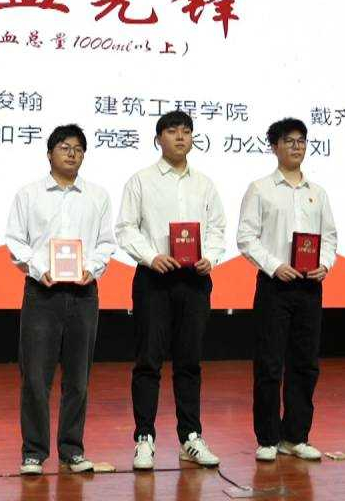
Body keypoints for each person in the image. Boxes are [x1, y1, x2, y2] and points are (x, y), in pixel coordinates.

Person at [116, 110, 227, 470]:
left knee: (189, 362)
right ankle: (144, 438)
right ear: (158, 139)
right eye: (172, 131)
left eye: (186, 131)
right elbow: (126, 228)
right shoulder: (141, 181)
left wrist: (210, 256)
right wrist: (151, 257)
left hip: (195, 280)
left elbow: (217, 228)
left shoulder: (205, 184)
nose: (181, 137)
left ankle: (190, 437)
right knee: (148, 361)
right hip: (154, 280)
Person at [5, 124, 115, 475]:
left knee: (78, 379)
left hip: (83, 293)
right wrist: (40, 269)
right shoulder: (29, 194)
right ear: (49, 153)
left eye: (79, 149)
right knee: (36, 377)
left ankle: (72, 451)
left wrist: (91, 269)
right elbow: (15, 241)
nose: (72, 153)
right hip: (42, 292)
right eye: (65, 147)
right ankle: (34, 452)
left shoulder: (97, 196)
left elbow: (106, 243)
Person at [237, 118, 338, 462]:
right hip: (275, 285)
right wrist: (274, 265)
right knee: (269, 364)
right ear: (274, 146)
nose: (296, 147)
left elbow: (330, 237)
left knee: (306, 364)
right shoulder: (260, 189)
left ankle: (295, 436)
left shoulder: (317, 192)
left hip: (310, 286)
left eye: (301, 141)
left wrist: (325, 264)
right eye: (289, 141)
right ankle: (267, 438)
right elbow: (246, 237)